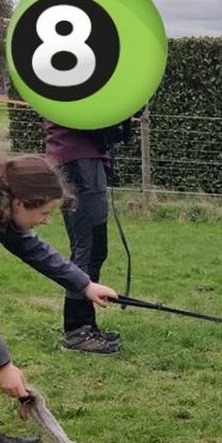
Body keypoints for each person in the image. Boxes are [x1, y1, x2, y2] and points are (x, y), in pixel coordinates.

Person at [0, 151, 118, 443]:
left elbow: (31, 247)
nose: (46, 220)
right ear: (20, 202)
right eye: (43, 213)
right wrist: (2, 366)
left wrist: (84, 284)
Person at [43, 119, 133, 354]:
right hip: (77, 160)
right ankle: (76, 331)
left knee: (95, 249)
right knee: (86, 249)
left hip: (84, 159)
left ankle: (87, 326)